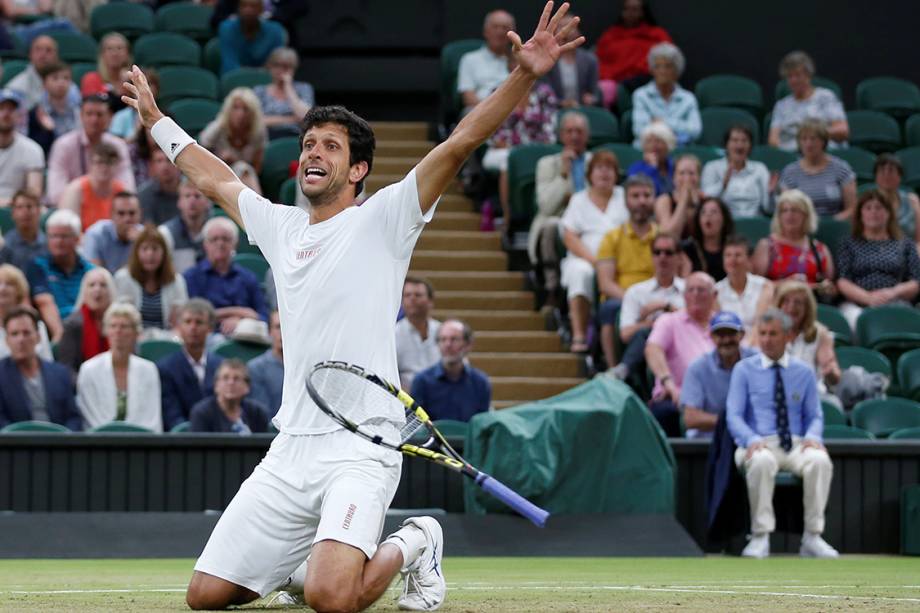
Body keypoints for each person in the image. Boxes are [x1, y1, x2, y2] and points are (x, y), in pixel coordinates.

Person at [122, 3, 582, 609]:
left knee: (332, 599)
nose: (314, 152)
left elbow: (461, 141)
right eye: (309, 143)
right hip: (292, 447)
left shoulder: (385, 219)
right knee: (204, 596)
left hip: (363, 445)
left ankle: (417, 538)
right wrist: (157, 120)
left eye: (331, 147)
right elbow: (213, 178)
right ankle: (306, 557)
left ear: (358, 168)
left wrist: (522, 76)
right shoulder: (280, 226)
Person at [727, 308, 839, 559]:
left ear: (788, 335)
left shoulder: (804, 371)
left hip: (797, 444)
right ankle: (760, 537)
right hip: (758, 443)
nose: (766, 339)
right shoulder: (743, 370)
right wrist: (751, 439)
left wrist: (814, 437)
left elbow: (815, 415)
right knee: (762, 461)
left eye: (773, 334)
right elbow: (733, 415)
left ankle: (812, 536)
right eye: (763, 333)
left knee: (820, 460)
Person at [559, 150, 627, 353]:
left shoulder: (624, 196)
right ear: (590, 174)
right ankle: (579, 333)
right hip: (585, 258)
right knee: (581, 273)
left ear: (616, 174)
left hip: (621, 259)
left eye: (609, 169)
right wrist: (596, 261)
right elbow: (569, 236)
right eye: (599, 168)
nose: (604, 173)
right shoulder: (579, 200)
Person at [482, 64, 558, 225]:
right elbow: (487, 127)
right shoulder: (498, 91)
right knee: (508, 160)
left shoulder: (545, 93)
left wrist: (533, 147)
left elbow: (550, 130)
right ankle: (508, 216)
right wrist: (498, 141)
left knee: (543, 160)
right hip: (502, 150)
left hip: (535, 148)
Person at [644, 272, 718, 437]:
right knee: (664, 413)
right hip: (676, 396)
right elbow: (653, 349)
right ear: (684, 295)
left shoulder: (722, 325)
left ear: (714, 296)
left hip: (716, 398)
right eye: (690, 290)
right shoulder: (669, 321)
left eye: (701, 290)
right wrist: (668, 384)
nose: (695, 295)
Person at [836, 190, 920, 330]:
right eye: (868, 208)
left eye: (879, 207)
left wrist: (892, 293)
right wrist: (868, 298)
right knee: (855, 322)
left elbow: (916, 281)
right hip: (857, 304)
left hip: (896, 301)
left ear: (889, 213)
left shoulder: (905, 243)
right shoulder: (848, 244)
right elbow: (843, 281)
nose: (873, 212)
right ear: (860, 214)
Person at [605, 232, 684, 380]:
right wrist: (653, 325)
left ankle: (624, 370)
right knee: (645, 334)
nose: (662, 257)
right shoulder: (636, 292)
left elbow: (695, 325)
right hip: (645, 352)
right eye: (657, 252)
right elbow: (626, 334)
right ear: (652, 256)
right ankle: (625, 372)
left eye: (668, 253)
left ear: (679, 258)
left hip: (682, 347)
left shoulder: (690, 290)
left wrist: (664, 306)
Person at [594, 174, 658, 355]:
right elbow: (605, 284)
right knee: (609, 308)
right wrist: (634, 302)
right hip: (621, 298)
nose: (642, 201)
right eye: (635, 196)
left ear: (654, 199)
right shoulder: (611, 237)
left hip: (656, 297)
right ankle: (610, 367)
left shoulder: (663, 238)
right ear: (626, 201)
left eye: (647, 195)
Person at [530, 110, 591, 295]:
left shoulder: (597, 163)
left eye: (579, 131)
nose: (574, 136)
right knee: (552, 226)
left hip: (590, 219)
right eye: (569, 131)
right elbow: (547, 206)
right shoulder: (547, 164)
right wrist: (563, 175)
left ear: (587, 135)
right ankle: (552, 290)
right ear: (561, 135)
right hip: (559, 219)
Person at [76, 302, 162, 432]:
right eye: (113, 326)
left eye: (124, 327)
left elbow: (152, 418)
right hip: (99, 444)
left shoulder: (149, 370)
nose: (117, 331)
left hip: (141, 444)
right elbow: (90, 418)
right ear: (106, 331)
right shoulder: (89, 369)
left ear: (135, 332)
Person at [0, 306, 80, 430]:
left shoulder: (60, 373)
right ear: (7, 340)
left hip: (58, 445)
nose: (21, 339)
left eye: (26, 332)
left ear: (38, 337)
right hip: (14, 446)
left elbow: (73, 418)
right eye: (14, 334)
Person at [183, 216, 267, 336]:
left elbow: (263, 317)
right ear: (205, 244)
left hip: (245, 337)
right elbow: (193, 317)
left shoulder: (248, 278)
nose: (220, 244)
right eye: (214, 239)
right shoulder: (191, 277)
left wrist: (240, 321)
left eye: (226, 239)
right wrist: (241, 312)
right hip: (205, 337)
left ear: (235, 244)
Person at [680, 311, 758, 439]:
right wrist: (735, 423)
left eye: (731, 334)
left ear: (742, 335)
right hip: (708, 441)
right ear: (712, 336)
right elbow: (691, 418)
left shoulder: (756, 361)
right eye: (721, 335)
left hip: (749, 439)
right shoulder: (698, 368)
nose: (726, 340)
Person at [46, 93, 135, 204]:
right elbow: (55, 194)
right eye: (89, 114)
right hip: (73, 207)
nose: (94, 120)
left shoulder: (118, 145)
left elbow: (128, 188)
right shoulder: (63, 145)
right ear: (81, 116)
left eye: (99, 114)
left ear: (109, 117)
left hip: (110, 208)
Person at [753, 189, 836, 300]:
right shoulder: (767, 245)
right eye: (784, 211)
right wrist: (787, 284)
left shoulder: (819, 249)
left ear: (806, 215)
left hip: (812, 303)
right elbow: (754, 286)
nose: (789, 215)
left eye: (795, 210)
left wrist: (825, 287)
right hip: (776, 302)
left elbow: (831, 287)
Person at [158, 298, 224, 432]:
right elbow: (172, 416)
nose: (193, 327)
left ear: (210, 328)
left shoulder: (222, 366)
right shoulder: (166, 368)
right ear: (179, 327)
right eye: (188, 322)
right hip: (183, 442)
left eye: (199, 322)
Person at [26, 209, 92, 340]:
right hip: (56, 330)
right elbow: (44, 302)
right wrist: (59, 334)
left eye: (64, 236)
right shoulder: (38, 265)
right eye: (53, 236)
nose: (58, 241)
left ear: (77, 239)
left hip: (86, 328)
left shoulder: (90, 270)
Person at [410, 319, 491, 422]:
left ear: (468, 345)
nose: (448, 345)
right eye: (443, 340)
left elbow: (481, 426)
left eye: (454, 339)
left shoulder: (480, 382)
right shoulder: (421, 381)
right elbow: (417, 425)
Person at [114, 224, 188, 335]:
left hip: (167, 341)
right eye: (145, 249)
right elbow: (118, 317)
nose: (150, 254)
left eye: (155, 249)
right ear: (136, 253)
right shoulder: (123, 278)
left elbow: (182, 321)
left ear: (164, 253)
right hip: (132, 339)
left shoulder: (177, 281)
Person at [768, 51, 848, 152]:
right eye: (789, 76)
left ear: (808, 75)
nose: (793, 80)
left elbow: (842, 130)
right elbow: (773, 141)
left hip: (825, 152)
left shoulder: (826, 97)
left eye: (797, 75)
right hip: (792, 155)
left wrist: (813, 134)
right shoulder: (781, 105)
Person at [774, 280, 841, 398]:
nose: (791, 307)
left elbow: (832, 371)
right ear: (779, 305)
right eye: (786, 301)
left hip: (812, 395)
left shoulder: (820, 333)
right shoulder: (769, 331)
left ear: (807, 308)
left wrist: (830, 372)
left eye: (798, 302)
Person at [777, 120, 856, 220]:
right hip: (801, 226)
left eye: (813, 139)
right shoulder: (790, 172)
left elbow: (852, 209)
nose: (808, 144)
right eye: (804, 139)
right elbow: (786, 209)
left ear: (823, 141)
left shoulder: (841, 168)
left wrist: (832, 223)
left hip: (835, 224)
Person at [630, 42, 701, 147]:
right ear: (651, 70)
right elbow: (639, 129)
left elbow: (695, 130)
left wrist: (663, 122)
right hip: (647, 150)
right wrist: (678, 129)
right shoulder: (641, 95)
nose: (662, 71)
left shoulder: (688, 98)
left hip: (680, 150)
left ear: (677, 70)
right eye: (657, 66)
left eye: (668, 66)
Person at [198, 87, 267, 194]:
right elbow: (200, 149)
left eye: (245, 109)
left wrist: (236, 161)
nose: (240, 114)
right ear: (228, 110)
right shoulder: (218, 127)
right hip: (215, 173)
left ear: (253, 113)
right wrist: (220, 158)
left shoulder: (258, 132)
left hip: (244, 178)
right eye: (236, 108)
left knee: (243, 168)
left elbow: (257, 167)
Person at [595, 0, 671, 94]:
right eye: (627, 9)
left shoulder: (657, 35)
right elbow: (599, 62)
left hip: (644, 82)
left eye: (634, 9)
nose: (630, 13)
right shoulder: (610, 35)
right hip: (612, 82)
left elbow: (668, 60)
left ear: (643, 12)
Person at [701, 125, 772, 219]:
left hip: (755, 224)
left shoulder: (760, 168)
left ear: (750, 146)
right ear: (726, 144)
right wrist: (723, 184)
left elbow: (768, 209)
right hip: (724, 225)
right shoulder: (712, 167)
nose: (739, 146)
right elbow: (705, 200)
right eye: (735, 140)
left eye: (744, 141)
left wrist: (771, 194)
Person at [55, 266, 114, 376]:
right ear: (84, 292)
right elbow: (66, 369)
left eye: (103, 285)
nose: (97, 289)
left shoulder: (120, 323)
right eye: (92, 285)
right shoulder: (72, 325)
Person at [715, 235, 774, 341]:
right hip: (728, 345)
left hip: (759, 343)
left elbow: (760, 324)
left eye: (738, 255)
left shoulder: (765, 286)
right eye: (728, 255)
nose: (732, 260)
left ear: (748, 259)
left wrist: (748, 349)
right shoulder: (716, 291)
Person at [57, 142, 127, 230]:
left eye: (109, 163)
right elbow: (68, 228)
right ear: (91, 164)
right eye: (99, 162)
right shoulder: (76, 190)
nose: (104, 167)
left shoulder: (122, 191)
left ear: (117, 165)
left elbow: (127, 225)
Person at [190, 358, 271, 433]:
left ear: (247, 387)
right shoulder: (201, 413)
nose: (230, 383)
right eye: (225, 378)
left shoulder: (257, 413)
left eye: (236, 378)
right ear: (216, 385)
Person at [457, 9, 515, 111]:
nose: (500, 32)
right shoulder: (470, 59)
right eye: (495, 27)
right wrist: (494, 112)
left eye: (505, 28)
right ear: (486, 31)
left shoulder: (519, 60)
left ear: (513, 34)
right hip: (481, 112)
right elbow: (468, 98)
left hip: (515, 112)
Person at [539, 12, 599, 108]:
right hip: (554, 110)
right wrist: (561, 103)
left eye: (571, 27)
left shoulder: (590, 60)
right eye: (561, 27)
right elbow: (543, 91)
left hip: (582, 110)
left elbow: (595, 92)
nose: (565, 31)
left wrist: (591, 98)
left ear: (579, 32)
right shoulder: (546, 59)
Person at [253, 47, 314, 139]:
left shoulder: (304, 88)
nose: (280, 70)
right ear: (270, 67)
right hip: (267, 137)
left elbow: (306, 117)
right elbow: (256, 121)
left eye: (286, 66)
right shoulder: (260, 91)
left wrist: (288, 87)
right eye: (277, 65)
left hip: (296, 136)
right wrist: (291, 119)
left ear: (293, 68)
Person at [0, 89, 45, 206]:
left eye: (11, 109)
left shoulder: (32, 149)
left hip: (18, 211)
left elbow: (34, 193)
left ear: (19, 115)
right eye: (1, 108)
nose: (6, 114)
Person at [159, 177, 212, 274]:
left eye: (197, 196)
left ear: (208, 202)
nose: (192, 201)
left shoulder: (215, 232)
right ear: (179, 202)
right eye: (187, 196)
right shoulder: (165, 233)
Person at [395, 277, 440, 391]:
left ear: (430, 301)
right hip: (408, 399)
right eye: (407, 295)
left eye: (418, 295)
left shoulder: (443, 331)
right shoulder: (393, 334)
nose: (412, 299)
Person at [26, 60, 81, 154]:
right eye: (55, 78)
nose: (61, 83)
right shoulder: (35, 113)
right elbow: (34, 149)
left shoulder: (80, 110)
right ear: (44, 83)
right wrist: (47, 132)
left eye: (66, 78)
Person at [81, 191, 143, 273]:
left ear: (140, 214)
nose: (127, 219)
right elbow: (94, 274)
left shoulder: (145, 236)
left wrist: (139, 244)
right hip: (104, 284)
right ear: (111, 215)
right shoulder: (96, 234)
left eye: (132, 213)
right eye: (121, 213)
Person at [218, 0, 285, 75]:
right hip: (235, 80)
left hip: (266, 81)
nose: (248, 10)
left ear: (261, 10)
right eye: (244, 6)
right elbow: (229, 65)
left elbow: (276, 64)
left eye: (253, 6)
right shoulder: (226, 28)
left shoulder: (275, 30)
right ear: (238, 9)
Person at [0, 264, 52, 360]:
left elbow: (47, 361)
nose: (2, 288)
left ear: (19, 290)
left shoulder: (37, 326)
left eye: (9, 284)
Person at [680, 197, 734, 281]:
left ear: (724, 219)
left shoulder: (733, 247)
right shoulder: (688, 249)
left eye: (714, 212)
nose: (708, 215)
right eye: (703, 212)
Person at [5, 34, 64, 109]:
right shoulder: (17, 87)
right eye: (38, 49)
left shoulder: (67, 84)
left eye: (49, 50)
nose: (43, 55)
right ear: (30, 54)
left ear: (57, 56)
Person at [873, 153, 920, 245]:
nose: (886, 174)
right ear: (875, 176)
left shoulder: (912, 200)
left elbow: (919, 240)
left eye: (891, 170)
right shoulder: (867, 203)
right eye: (882, 170)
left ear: (900, 176)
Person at [654, 154, 703, 239]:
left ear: (699, 177)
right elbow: (668, 235)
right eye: (681, 173)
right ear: (674, 177)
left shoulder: (706, 200)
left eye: (691, 173)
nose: (687, 178)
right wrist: (683, 200)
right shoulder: (664, 201)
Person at [79, 32, 131, 111]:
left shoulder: (134, 80)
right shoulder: (91, 79)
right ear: (102, 54)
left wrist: (128, 83)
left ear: (127, 53)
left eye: (120, 48)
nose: (115, 53)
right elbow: (93, 111)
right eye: (109, 49)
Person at [247, 311, 283, 417]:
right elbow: (262, 415)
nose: (284, 332)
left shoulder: (305, 367)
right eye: (278, 327)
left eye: (287, 326)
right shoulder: (255, 368)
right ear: (269, 332)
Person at [0, 190, 46, 271]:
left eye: (29, 206)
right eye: (19, 207)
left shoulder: (49, 245)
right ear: (13, 214)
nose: (25, 211)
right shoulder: (6, 246)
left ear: (39, 211)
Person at [627, 120, 675, 196]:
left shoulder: (675, 166)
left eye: (658, 141)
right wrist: (652, 168)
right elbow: (650, 194)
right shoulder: (635, 169)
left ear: (668, 145)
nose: (653, 145)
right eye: (649, 141)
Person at [138, 148, 182, 226]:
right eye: (159, 161)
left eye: (169, 160)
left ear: (179, 164)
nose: (164, 166)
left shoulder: (190, 192)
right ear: (152, 166)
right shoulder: (143, 195)